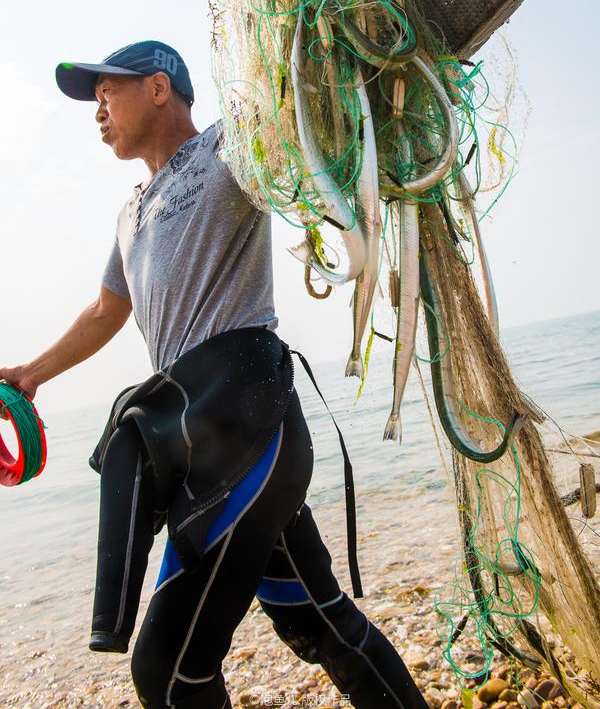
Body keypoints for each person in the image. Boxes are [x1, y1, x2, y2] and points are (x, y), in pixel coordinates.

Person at [0, 40, 429, 709]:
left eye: (108, 92)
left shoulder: (230, 146)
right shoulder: (130, 211)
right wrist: (30, 374)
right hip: (194, 437)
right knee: (320, 623)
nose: (98, 111)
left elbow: (303, 115)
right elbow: (107, 310)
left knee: (167, 668)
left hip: (247, 420)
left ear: (159, 88)